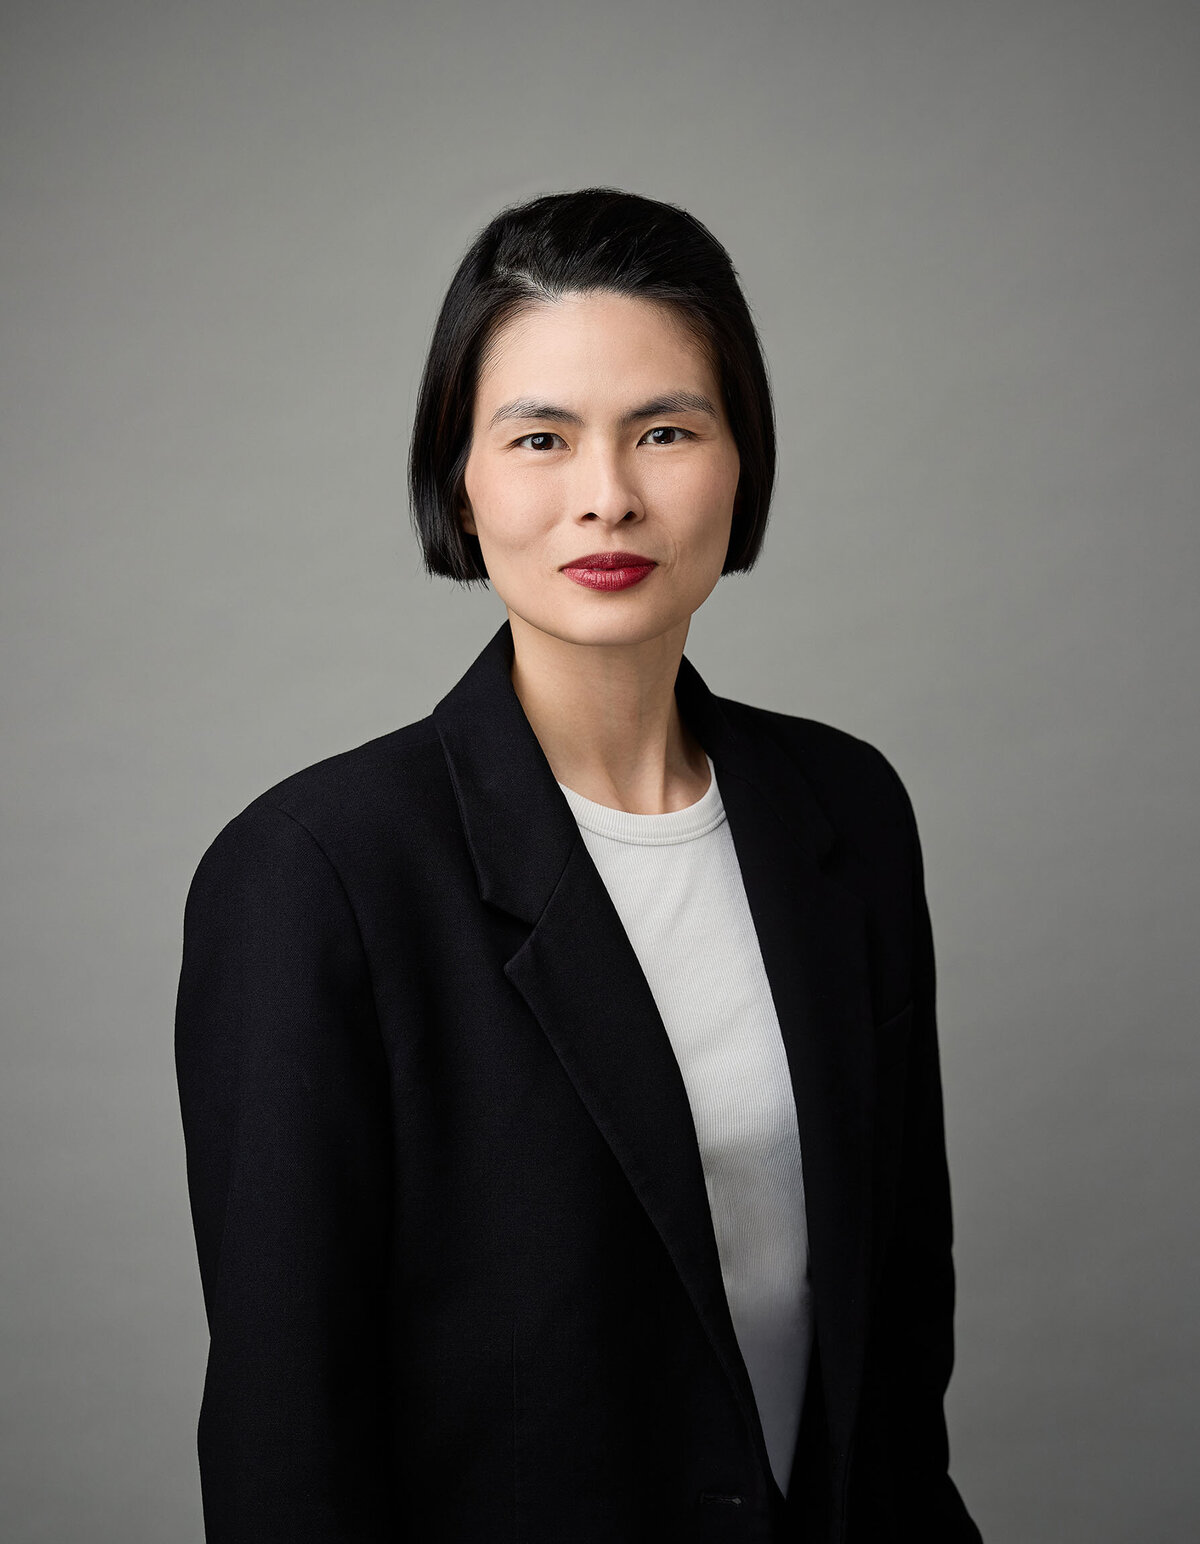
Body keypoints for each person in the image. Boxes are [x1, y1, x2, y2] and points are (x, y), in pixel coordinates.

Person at [175, 186, 983, 1543]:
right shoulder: (315, 876)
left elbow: (895, 1350)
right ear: (462, 479)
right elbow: (284, 1442)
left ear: (743, 463)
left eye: (667, 429)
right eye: (540, 436)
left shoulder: (846, 810)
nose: (608, 496)